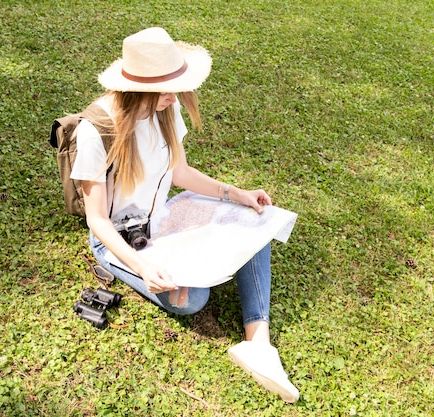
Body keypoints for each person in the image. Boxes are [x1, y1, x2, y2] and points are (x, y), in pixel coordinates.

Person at [70, 27, 299, 403]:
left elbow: (181, 173)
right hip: (120, 239)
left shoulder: (165, 108)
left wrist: (236, 194)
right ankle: (128, 269)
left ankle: (258, 344)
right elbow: (97, 221)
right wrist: (142, 268)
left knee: (257, 218)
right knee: (192, 300)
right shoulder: (97, 130)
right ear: (136, 87)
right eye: (165, 89)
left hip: (163, 218)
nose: (174, 96)